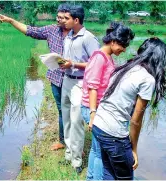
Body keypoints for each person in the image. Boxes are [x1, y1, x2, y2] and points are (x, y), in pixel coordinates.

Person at [92, 37, 166, 180]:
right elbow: (135, 121)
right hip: (113, 134)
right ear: (160, 60)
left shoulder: (126, 68)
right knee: (125, 177)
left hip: (99, 126)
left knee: (109, 172)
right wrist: (133, 149)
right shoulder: (147, 79)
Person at [0, 4, 70, 151]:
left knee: (74, 111)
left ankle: (75, 143)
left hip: (74, 79)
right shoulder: (51, 30)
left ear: (72, 19)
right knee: (62, 110)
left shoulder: (77, 34)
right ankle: (63, 140)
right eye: (58, 17)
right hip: (56, 78)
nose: (59, 20)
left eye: (63, 18)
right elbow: (30, 31)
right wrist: (11, 21)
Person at [81, 22, 134, 180]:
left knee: (95, 150)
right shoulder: (99, 57)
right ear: (113, 41)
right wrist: (92, 114)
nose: (124, 49)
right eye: (123, 45)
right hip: (93, 108)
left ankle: (91, 177)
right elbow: (92, 87)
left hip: (97, 109)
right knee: (100, 153)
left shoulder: (107, 57)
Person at [59, 5, 100, 174]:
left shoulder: (88, 38)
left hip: (80, 83)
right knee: (67, 118)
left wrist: (73, 64)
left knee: (76, 122)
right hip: (67, 80)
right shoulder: (68, 36)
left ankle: (77, 162)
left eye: (66, 18)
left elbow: (95, 63)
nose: (63, 21)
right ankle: (69, 154)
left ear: (76, 20)